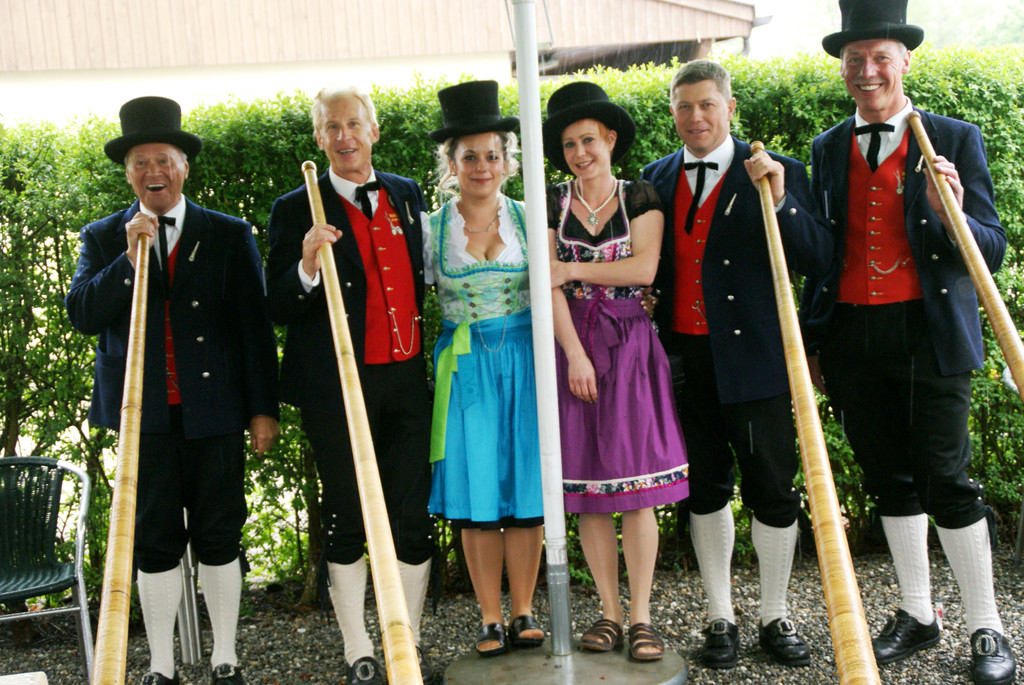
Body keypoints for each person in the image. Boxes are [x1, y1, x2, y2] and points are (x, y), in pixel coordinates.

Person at [801, 2, 1017, 683]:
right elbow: (822, 256)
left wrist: (949, 211)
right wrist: (813, 340)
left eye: (880, 58)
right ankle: (919, 613)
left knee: (946, 480)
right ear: (843, 68)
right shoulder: (826, 148)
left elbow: (991, 251)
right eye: (854, 59)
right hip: (852, 336)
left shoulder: (954, 138)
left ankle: (987, 625)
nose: (867, 71)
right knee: (888, 479)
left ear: (905, 62)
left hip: (929, 332)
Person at [66, 96, 280, 685]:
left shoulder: (229, 234)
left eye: (164, 159)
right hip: (144, 418)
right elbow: (82, 313)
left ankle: (226, 657)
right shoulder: (103, 237)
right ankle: (161, 664)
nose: (153, 171)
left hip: (215, 413)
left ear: (184, 166)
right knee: (153, 541)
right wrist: (128, 261)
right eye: (140, 162)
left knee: (220, 534)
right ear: (128, 173)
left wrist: (262, 410)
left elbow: (255, 329)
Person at [641, 60, 832, 669]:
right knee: (704, 489)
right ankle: (719, 616)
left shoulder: (775, 169)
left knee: (772, 488)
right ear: (673, 112)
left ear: (729, 108)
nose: (695, 117)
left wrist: (780, 200)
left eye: (707, 105)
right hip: (684, 360)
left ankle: (776, 613)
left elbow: (819, 258)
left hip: (757, 358)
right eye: (683, 106)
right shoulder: (654, 178)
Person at [265, 86, 433, 685]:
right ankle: (359, 646)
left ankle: (405, 642)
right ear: (319, 138)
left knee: (412, 515)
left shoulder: (405, 194)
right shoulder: (295, 208)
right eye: (332, 127)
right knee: (346, 516)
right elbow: (276, 303)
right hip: (336, 387)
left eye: (354, 124)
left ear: (374, 130)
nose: (344, 136)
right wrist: (307, 264)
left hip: (406, 379)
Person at [542, 81, 690, 662]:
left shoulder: (642, 196)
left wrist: (569, 270)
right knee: (589, 489)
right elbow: (545, 285)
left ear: (609, 139)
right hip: (572, 346)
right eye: (569, 144)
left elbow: (645, 269)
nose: (580, 153)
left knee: (636, 488)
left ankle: (643, 616)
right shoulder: (551, 201)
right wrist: (575, 354)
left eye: (588, 140)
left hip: (630, 345)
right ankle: (607, 612)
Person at [424, 80, 545, 657]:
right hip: (467, 368)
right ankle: (490, 617)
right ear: (451, 164)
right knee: (476, 494)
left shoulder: (530, 218)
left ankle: (523, 610)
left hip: (525, 362)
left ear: (507, 161)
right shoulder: (430, 230)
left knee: (525, 486)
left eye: (492, 156)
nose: (481, 167)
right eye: (469, 156)